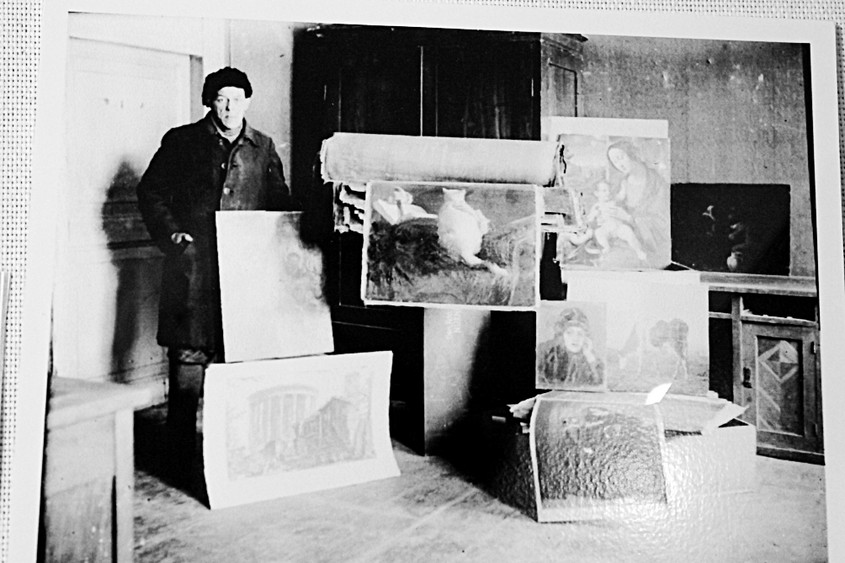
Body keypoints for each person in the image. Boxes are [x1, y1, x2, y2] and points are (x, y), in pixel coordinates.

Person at [136, 66, 297, 486]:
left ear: (247, 101)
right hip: (193, 267)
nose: (229, 108)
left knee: (240, 358)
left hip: (245, 270)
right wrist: (174, 236)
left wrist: (283, 242)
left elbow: (279, 201)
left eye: (237, 99)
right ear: (210, 101)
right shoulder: (182, 141)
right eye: (222, 99)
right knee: (188, 355)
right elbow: (151, 192)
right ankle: (178, 459)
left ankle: (237, 458)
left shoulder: (263, 146)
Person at [606, 141, 671, 258]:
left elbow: (663, 222)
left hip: (651, 243)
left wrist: (629, 218)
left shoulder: (657, 183)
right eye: (615, 162)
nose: (619, 165)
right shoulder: (622, 183)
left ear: (632, 154)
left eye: (621, 158)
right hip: (627, 237)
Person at [536, 307, 604, 388]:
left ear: (585, 337)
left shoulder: (590, 359)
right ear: (562, 335)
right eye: (569, 333)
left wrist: (589, 356)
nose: (575, 338)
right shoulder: (549, 356)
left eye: (580, 334)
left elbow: (598, 385)